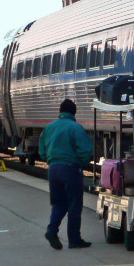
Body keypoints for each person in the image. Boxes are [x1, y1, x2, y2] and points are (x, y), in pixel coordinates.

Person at [39, 99, 94, 249]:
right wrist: (81, 163)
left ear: (60, 111)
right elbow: (85, 150)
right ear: (74, 113)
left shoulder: (49, 127)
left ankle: (51, 230)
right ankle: (74, 239)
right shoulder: (76, 128)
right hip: (70, 169)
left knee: (58, 203)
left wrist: (51, 160)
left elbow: (42, 151)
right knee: (74, 204)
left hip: (53, 169)